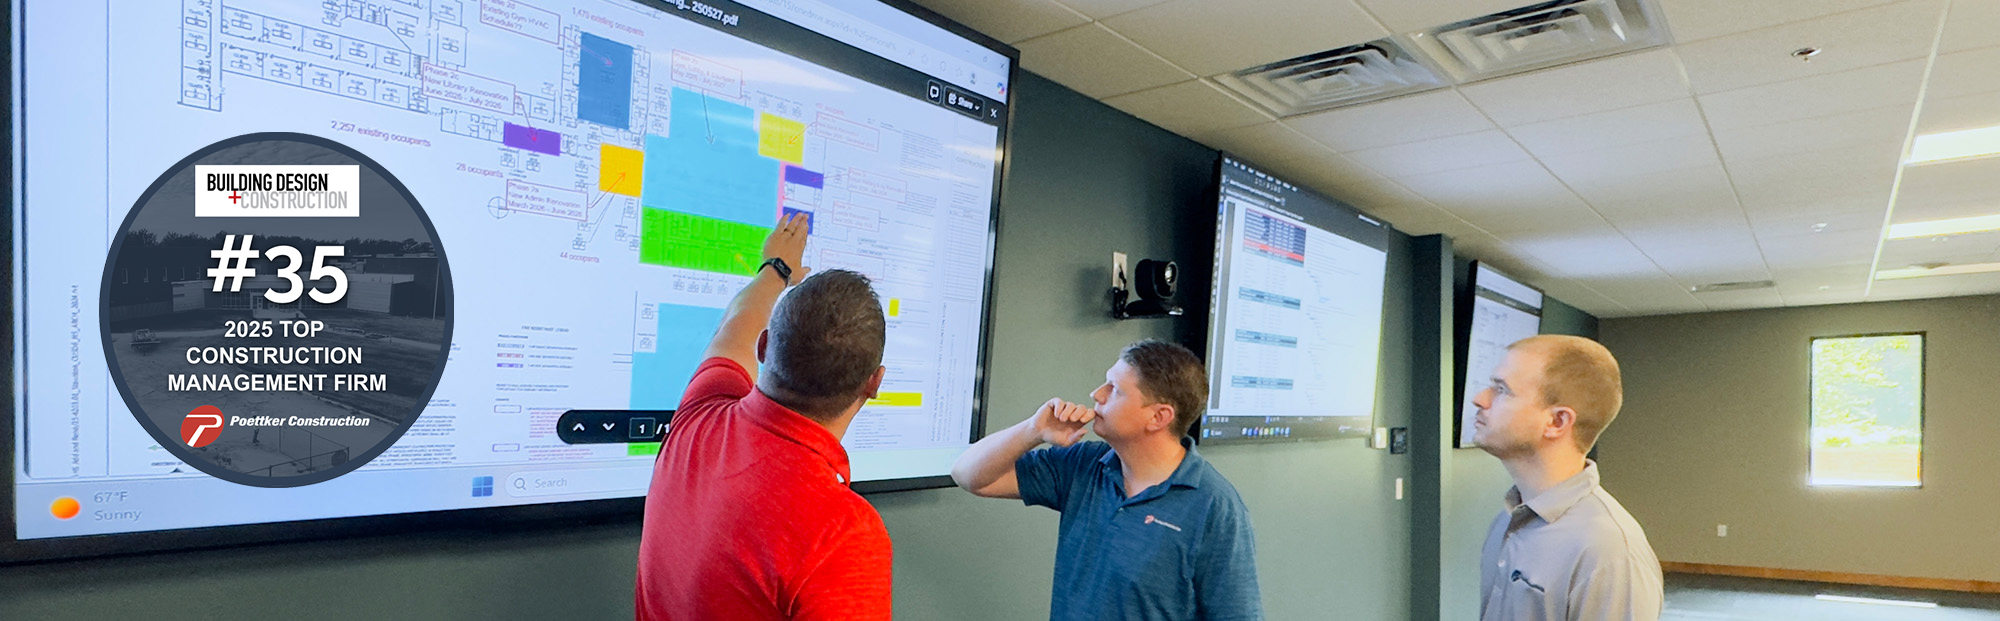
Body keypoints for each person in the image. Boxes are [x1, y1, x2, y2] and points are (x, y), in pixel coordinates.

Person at [635, 213, 894, 620]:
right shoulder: (842, 531)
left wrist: (777, 269)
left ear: (765, 346)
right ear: (873, 383)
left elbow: (737, 321)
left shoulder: (700, 416)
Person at [951, 339, 1263, 621]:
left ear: (1159, 417)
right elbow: (968, 475)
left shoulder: (1216, 506)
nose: (1096, 395)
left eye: (1114, 389)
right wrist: (1033, 430)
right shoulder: (1084, 465)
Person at [1470, 335, 1661, 621]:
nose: (1480, 399)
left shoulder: (1609, 553)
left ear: (1557, 422)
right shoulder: (1506, 522)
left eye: (1501, 390)